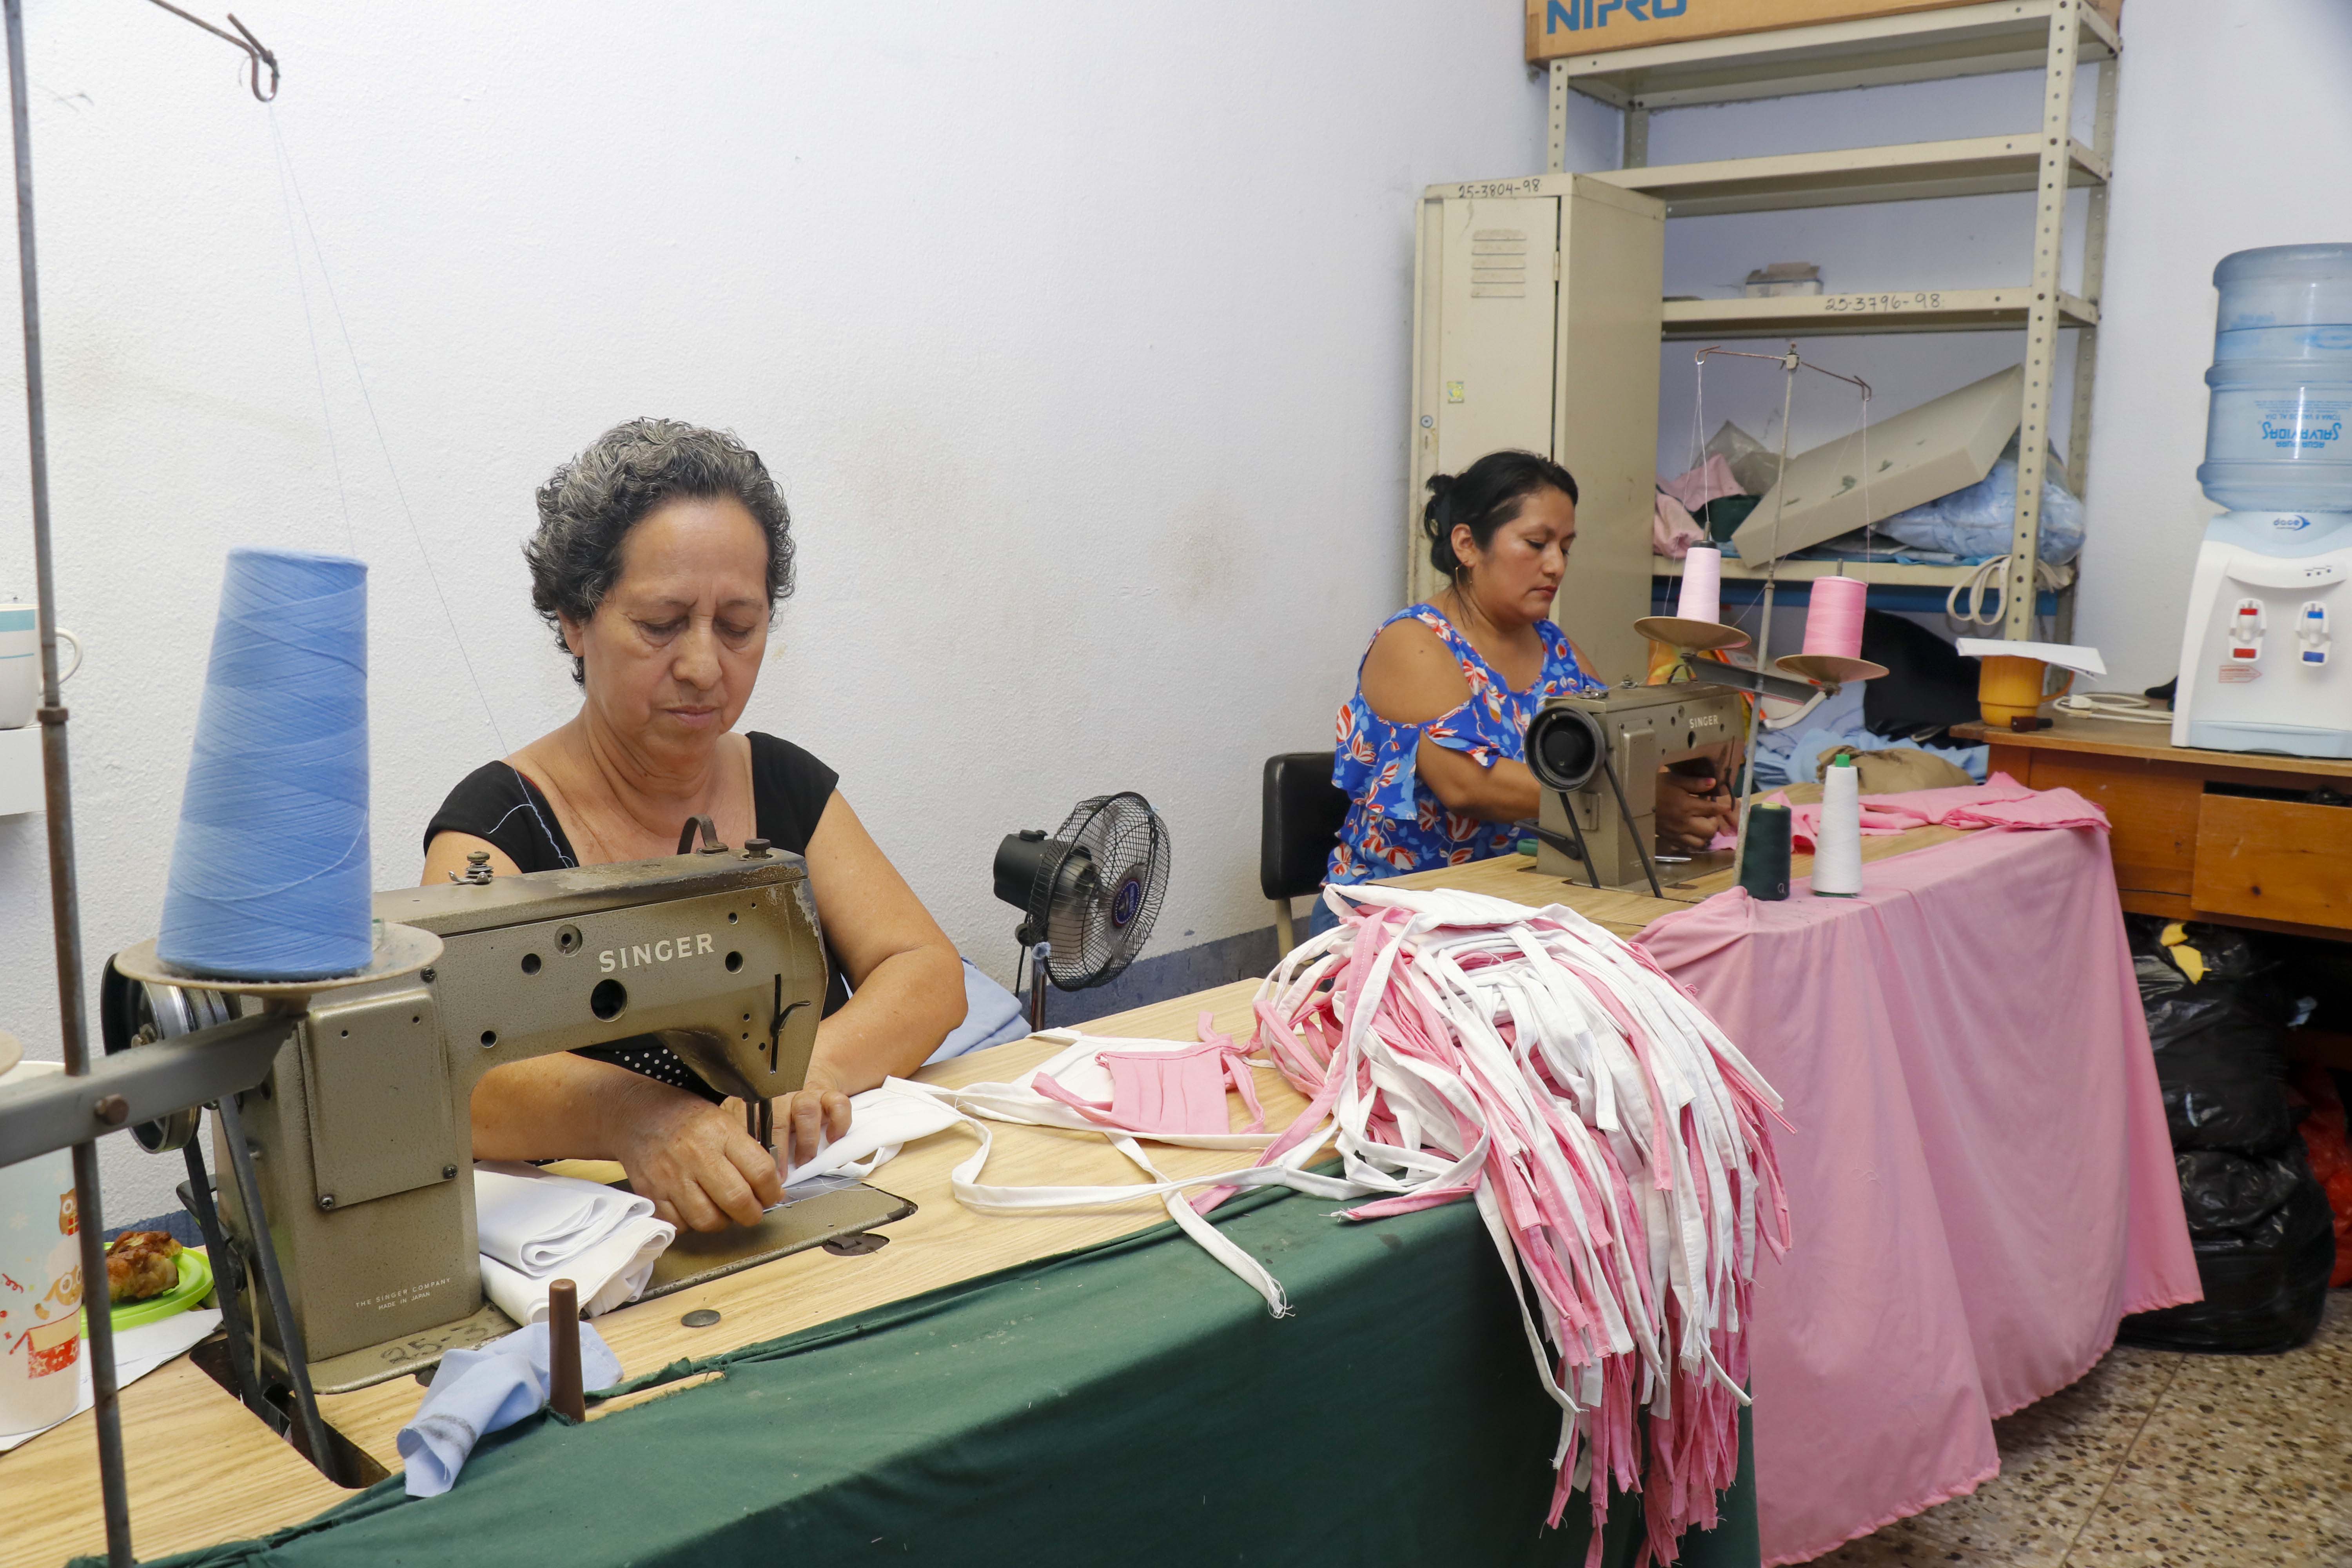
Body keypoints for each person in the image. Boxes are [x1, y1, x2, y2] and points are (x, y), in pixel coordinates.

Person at [424, 419, 965, 1233]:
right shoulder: (495, 830)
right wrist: (638, 1118)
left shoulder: (784, 784)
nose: (705, 667)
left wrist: (812, 1067)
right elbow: (448, 1070)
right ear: (575, 619)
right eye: (661, 624)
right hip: (612, 1257)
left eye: (739, 626)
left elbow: (927, 971)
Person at [1324, 450, 1736, 904]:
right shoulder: (1413, 643)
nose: (1557, 565)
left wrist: (1692, 791)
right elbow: (1468, 785)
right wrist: (1643, 801)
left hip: (1518, 900)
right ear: (1467, 545)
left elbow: (1616, 749)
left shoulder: (1554, 647)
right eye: (1537, 544)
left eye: (1565, 547)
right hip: (1400, 911)